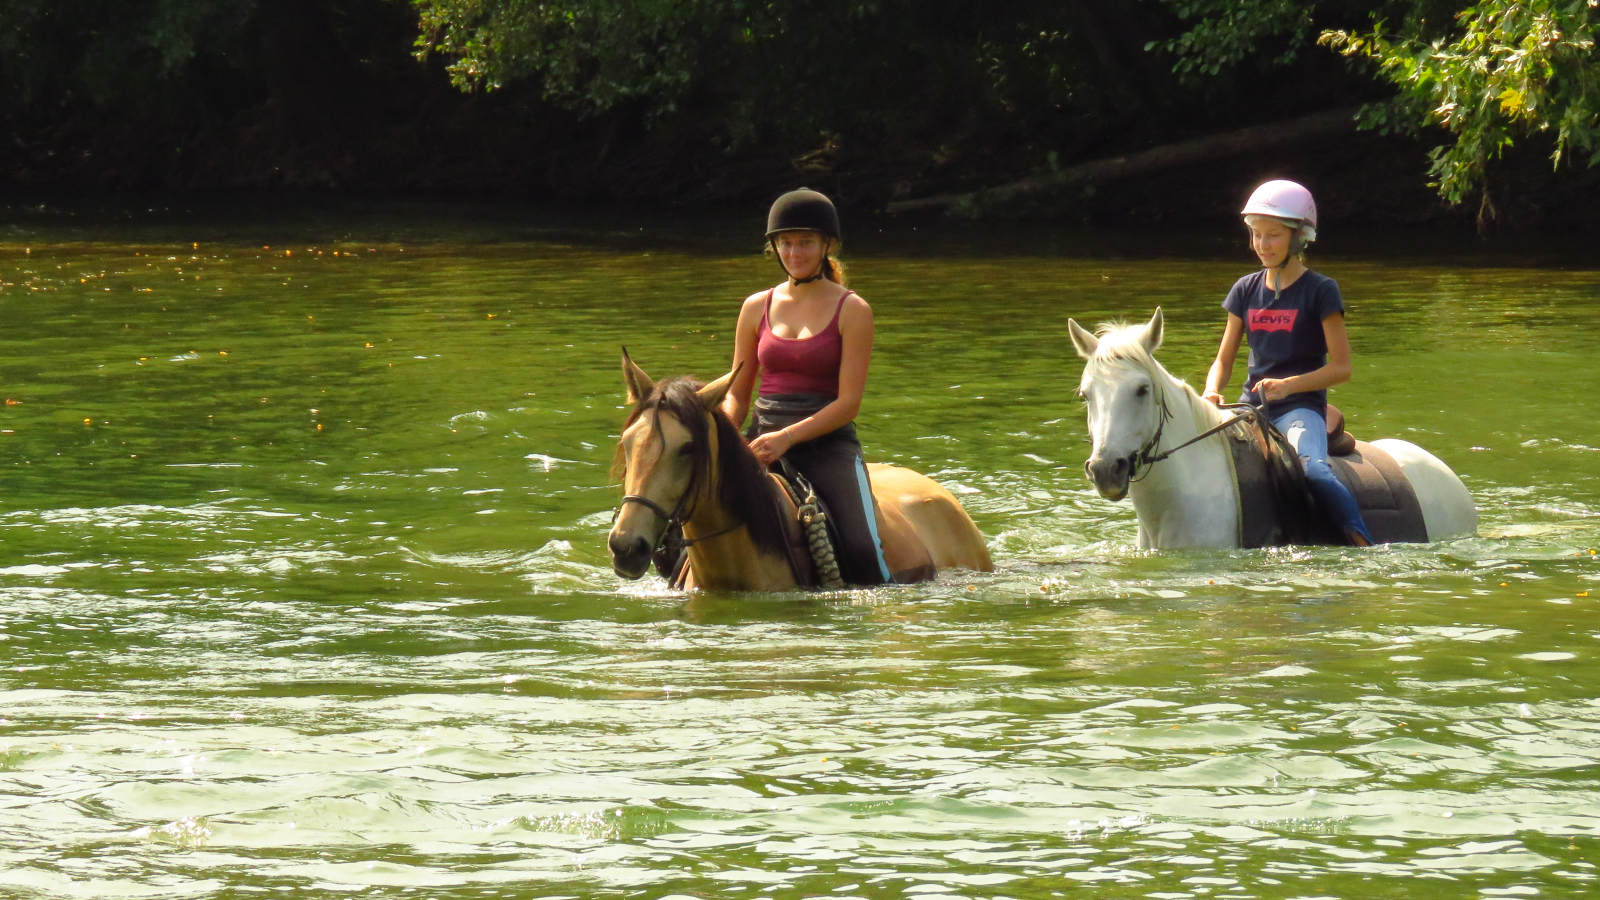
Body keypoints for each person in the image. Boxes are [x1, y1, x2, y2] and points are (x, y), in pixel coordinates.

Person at [720, 188, 894, 584]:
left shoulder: (853, 309)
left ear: (826, 244)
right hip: (760, 442)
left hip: (827, 446)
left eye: (805, 242)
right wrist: (725, 433)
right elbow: (738, 391)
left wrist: (787, 437)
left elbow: (849, 403)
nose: (794, 253)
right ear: (774, 247)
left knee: (862, 550)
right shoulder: (754, 307)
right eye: (785, 243)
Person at [1201, 179, 1375, 546]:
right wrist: (1211, 391)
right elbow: (1223, 360)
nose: (1262, 245)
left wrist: (1288, 386)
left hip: (1300, 407)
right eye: (1256, 235)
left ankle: (1364, 544)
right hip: (1249, 409)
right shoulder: (1244, 290)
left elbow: (1342, 368)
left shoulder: (1321, 290)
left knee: (1313, 473)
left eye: (1273, 236)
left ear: (1297, 238)